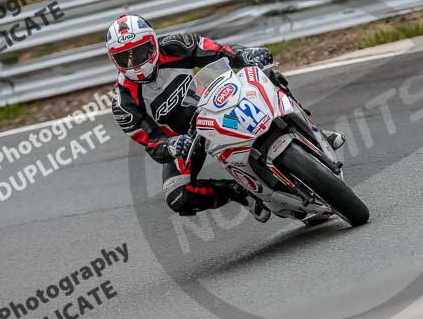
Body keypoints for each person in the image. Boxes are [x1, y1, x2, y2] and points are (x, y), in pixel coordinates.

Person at [106, 14, 343, 221]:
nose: (135, 63)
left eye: (140, 52)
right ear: (113, 60)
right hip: (188, 138)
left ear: (153, 42)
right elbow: (151, 142)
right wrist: (170, 146)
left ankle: (314, 130)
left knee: (266, 72)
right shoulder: (123, 103)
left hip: (221, 96)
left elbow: (221, 52)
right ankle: (240, 192)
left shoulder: (178, 44)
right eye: (124, 57)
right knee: (176, 194)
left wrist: (246, 54)